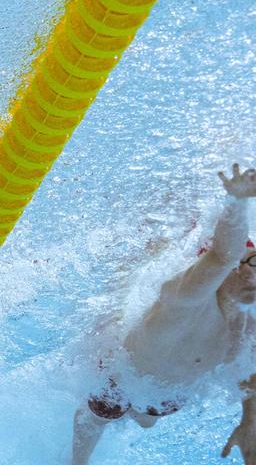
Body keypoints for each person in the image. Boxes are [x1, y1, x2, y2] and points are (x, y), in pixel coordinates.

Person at [71, 164, 256, 464]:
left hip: (166, 395)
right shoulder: (188, 296)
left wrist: (250, 420)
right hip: (121, 371)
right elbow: (222, 255)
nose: (249, 274)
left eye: (255, 263)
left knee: (145, 418)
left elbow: (248, 370)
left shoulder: (248, 320)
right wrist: (237, 201)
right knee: (99, 415)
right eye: (242, 263)